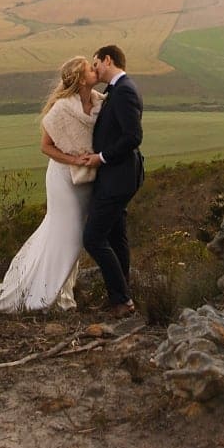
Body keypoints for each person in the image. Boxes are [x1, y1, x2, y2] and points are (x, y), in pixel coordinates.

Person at [0, 56, 101, 312]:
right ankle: (45, 294)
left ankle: (61, 291)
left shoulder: (99, 102)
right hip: (63, 178)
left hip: (86, 179)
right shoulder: (62, 108)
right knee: (68, 234)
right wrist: (74, 159)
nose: (94, 69)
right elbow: (46, 146)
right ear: (79, 79)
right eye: (89, 68)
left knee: (71, 235)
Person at [74, 43, 144, 317]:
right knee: (116, 235)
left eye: (96, 64)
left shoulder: (124, 91)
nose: (94, 70)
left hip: (118, 177)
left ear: (107, 60)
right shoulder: (117, 90)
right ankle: (122, 295)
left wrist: (101, 157)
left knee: (93, 238)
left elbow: (133, 136)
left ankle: (122, 300)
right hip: (117, 176)